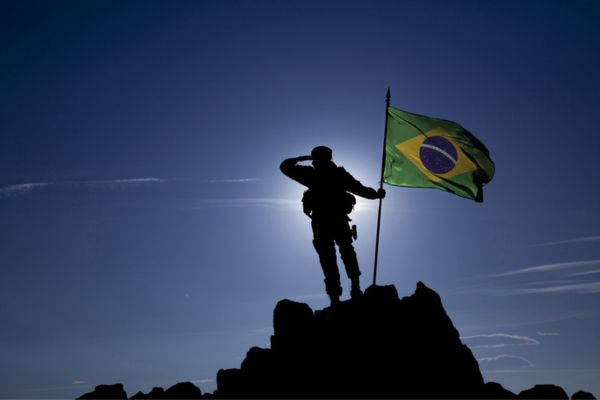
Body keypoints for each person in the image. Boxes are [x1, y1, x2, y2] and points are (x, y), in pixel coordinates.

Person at [280, 146, 385, 306]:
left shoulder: (319, 174)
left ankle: (344, 293)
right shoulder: (323, 174)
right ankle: (346, 292)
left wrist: (375, 195)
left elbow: (359, 188)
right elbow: (360, 189)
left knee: (335, 256)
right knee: (338, 255)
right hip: (329, 221)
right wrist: (375, 194)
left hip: (330, 220)